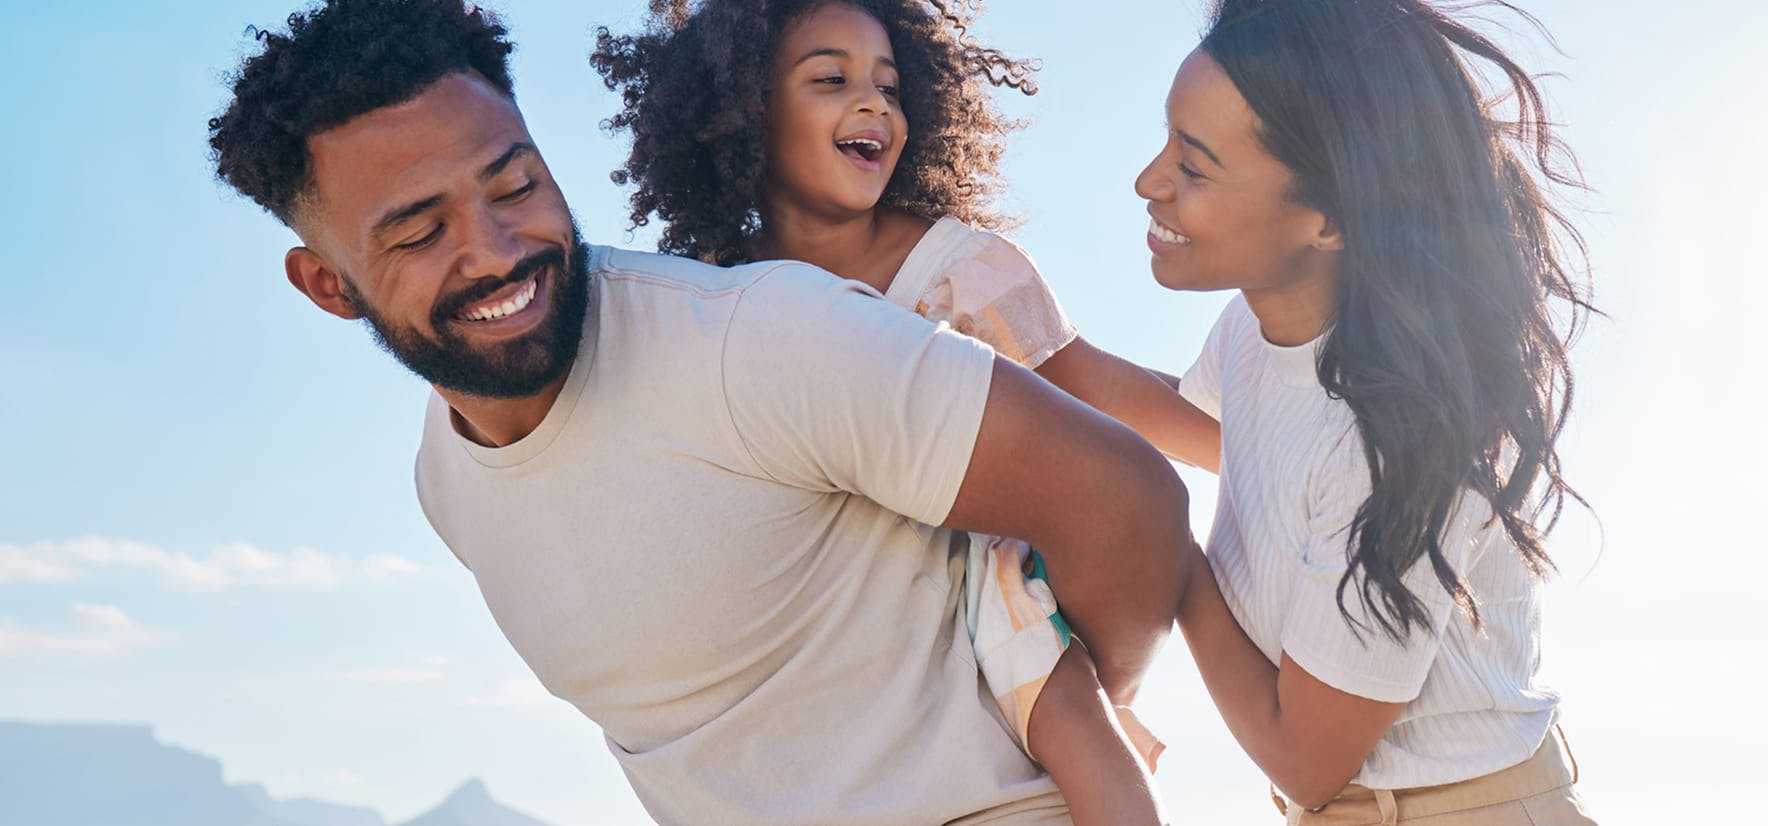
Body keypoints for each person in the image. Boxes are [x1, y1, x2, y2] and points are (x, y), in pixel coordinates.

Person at [205, 1, 1192, 824]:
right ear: (327, 285)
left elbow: (1125, 495)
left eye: (517, 184)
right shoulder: (447, 483)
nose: (498, 248)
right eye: (421, 231)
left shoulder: (757, 340)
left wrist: (1058, 707)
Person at [593, 5, 1216, 820]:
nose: (874, 104)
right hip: (849, 634)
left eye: (889, 86)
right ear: (743, 110)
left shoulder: (954, 270)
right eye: (831, 79)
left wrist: (1254, 441)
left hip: (985, 578)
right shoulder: (720, 299)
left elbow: (1094, 386)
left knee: (1074, 721)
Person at [1137, 1, 1600, 823]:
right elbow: (1210, 431)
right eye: (1168, 140)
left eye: (1196, 166)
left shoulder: (1398, 439)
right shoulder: (1257, 325)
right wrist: (1019, 337)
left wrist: (1157, 543)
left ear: (1330, 219)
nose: (1151, 182)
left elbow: (1306, 759)